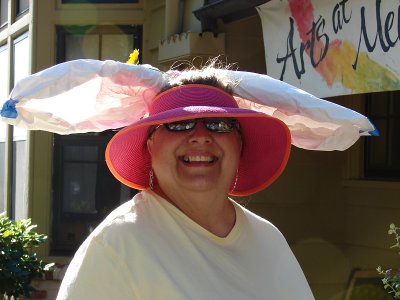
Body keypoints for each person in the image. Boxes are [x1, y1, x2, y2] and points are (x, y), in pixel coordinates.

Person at [56, 67, 315, 299]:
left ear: (239, 144)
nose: (200, 137)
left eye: (219, 123)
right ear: (150, 146)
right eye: (179, 124)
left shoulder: (268, 238)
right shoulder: (117, 247)